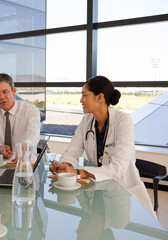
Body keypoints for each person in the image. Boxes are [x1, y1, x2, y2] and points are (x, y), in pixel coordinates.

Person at [49, 75, 155, 216]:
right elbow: (73, 150)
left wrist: (79, 172)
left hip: (123, 191)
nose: (81, 100)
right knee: (97, 219)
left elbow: (118, 169)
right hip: (100, 186)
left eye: (84, 95)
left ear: (100, 97)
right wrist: (65, 166)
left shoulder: (123, 121)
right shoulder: (87, 120)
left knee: (118, 224)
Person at [0, 73, 41, 161]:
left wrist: (25, 146)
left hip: (26, 162)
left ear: (14, 91)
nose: (1, 97)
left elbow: (33, 136)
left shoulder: (30, 110)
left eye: (5, 92)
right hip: (1, 163)